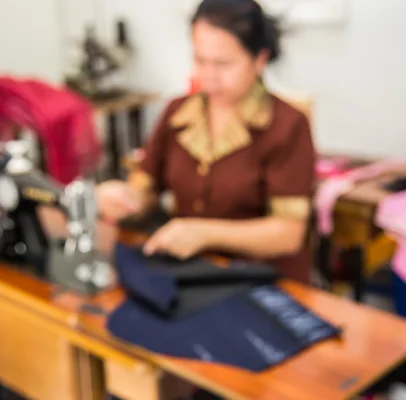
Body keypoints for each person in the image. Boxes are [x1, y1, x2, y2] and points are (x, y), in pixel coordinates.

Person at [97, 0, 316, 284]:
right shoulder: (178, 113)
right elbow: (146, 183)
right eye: (200, 60)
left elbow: (288, 233)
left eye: (223, 64)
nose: (208, 77)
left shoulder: (287, 125)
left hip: (260, 281)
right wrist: (130, 198)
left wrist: (203, 233)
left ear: (260, 60)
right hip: (189, 273)